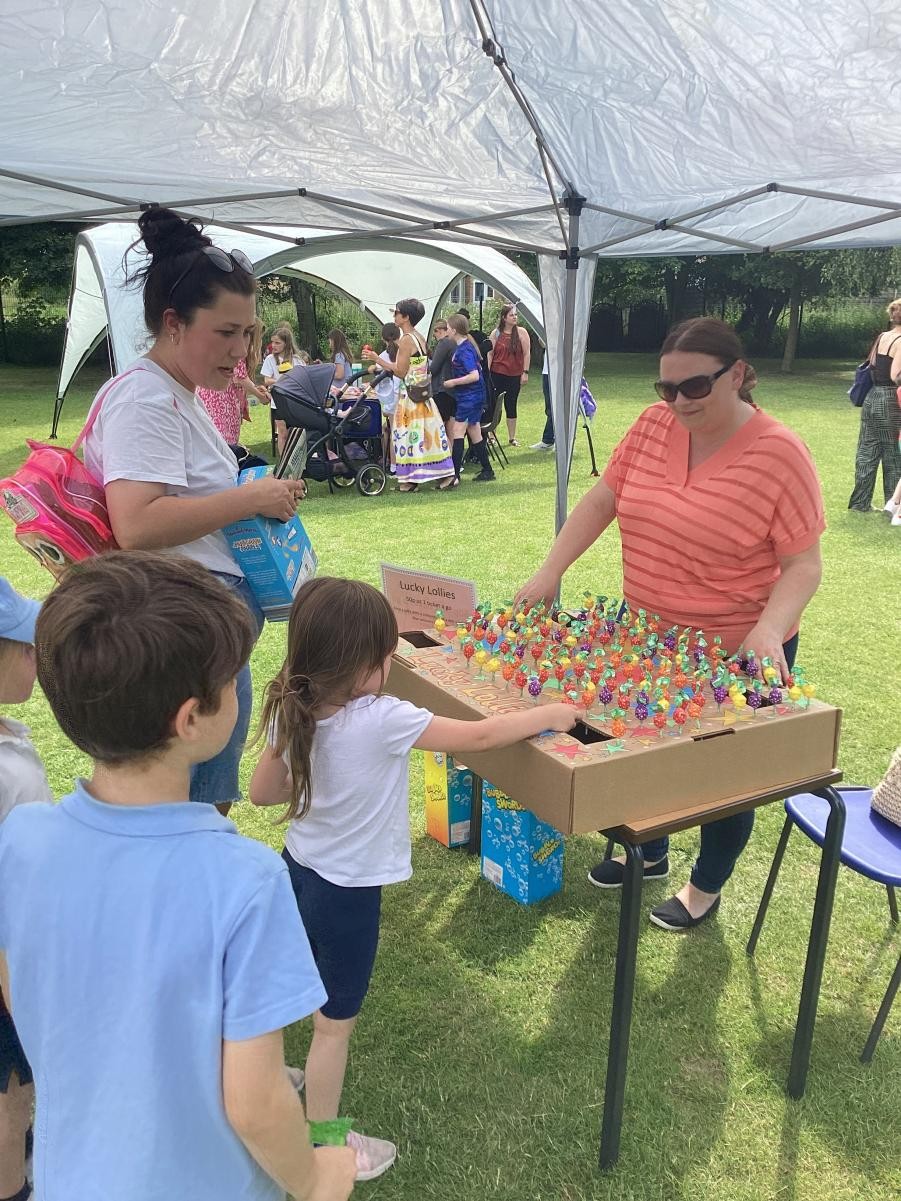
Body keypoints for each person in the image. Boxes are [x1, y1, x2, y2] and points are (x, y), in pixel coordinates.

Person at [0, 553, 356, 1201]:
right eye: (233, 679)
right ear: (191, 718)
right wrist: (315, 1179)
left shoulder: (20, 841)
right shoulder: (246, 881)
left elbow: (20, 985)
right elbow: (256, 1103)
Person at [250, 577, 580, 1180]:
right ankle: (326, 1144)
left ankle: (270, 1077)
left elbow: (262, 794)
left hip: (295, 870)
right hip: (347, 896)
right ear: (366, 667)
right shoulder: (384, 719)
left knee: (287, 985)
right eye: (387, 655)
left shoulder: (290, 705)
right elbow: (479, 737)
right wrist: (551, 714)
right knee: (332, 1027)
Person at [516, 317, 826, 931]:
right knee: (638, 744)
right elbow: (603, 500)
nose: (679, 402)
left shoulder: (780, 452)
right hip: (647, 637)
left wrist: (770, 628)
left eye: (695, 386)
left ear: (737, 375)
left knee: (725, 776)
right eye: (667, 389)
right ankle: (650, 849)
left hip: (736, 648)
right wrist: (551, 569)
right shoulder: (653, 425)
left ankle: (705, 886)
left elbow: (803, 565)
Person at [82, 208, 304, 812]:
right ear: (174, 323)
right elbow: (137, 524)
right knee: (193, 810)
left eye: (248, 332)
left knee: (204, 801)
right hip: (185, 636)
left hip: (204, 632)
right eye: (226, 332)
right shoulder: (146, 399)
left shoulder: (176, 393)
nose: (242, 350)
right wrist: (249, 498)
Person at [0, 579, 52, 1201]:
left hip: (20, 949)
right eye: (24, 644)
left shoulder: (9, 736)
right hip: (9, 963)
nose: (37, 655)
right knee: (9, 1095)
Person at [363, 298, 453, 492]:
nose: (394, 316)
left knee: (407, 437)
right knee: (426, 436)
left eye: (397, 312)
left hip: (410, 397)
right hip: (423, 395)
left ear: (406, 317)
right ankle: (440, 476)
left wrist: (377, 359)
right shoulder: (418, 337)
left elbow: (400, 371)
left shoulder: (406, 340)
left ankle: (411, 480)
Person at [848, 299, 901, 512]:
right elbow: (895, 375)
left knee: (867, 451)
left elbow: (872, 365)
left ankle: (859, 503)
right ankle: (893, 505)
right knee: (893, 454)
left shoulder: (882, 337)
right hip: (890, 400)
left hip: (872, 396)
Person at [196, 317, 268, 445]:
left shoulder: (228, 347)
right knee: (224, 441)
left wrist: (255, 388)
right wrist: (260, 396)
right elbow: (240, 377)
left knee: (216, 439)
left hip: (214, 397)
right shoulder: (238, 350)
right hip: (221, 402)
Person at [444, 313, 494, 485]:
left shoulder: (464, 350)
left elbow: (474, 375)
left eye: (448, 328)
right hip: (473, 396)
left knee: (457, 431)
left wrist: (453, 382)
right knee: (474, 431)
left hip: (470, 397)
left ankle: (454, 475)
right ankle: (487, 470)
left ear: (454, 330)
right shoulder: (466, 345)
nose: (446, 331)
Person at [488, 303, 530, 446]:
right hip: (497, 374)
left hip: (514, 375)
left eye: (516, 315)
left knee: (511, 405)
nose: (515, 317)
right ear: (504, 317)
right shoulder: (496, 333)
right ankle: (492, 436)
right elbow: (490, 353)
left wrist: (525, 372)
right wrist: (487, 372)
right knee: (495, 405)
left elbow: (527, 353)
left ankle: (512, 437)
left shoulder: (521, 333)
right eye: (511, 315)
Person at [263, 326, 308, 458]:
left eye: (277, 343)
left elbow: (304, 379)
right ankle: (284, 462)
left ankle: (298, 460)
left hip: (295, 401)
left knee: (297, 433)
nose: (273, 345)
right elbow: (267, 380)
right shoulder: (270, 359)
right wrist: (283, 380)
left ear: (286, 343)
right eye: (272, 342)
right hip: (278, 402)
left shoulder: (297, 360)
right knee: (282, 433)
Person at [364, 322, 401, 474]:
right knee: (393, 430)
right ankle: (394, 463)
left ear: (382, 337)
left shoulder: (383, 356)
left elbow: (378, 371)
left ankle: (393, 466)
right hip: (402, 394)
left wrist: (373, 367)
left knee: (393, 431)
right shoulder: (402, 353)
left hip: (391, 398)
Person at [429, 318, 457, 445]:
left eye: (435, 332)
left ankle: (445, 453)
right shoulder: (454, 342)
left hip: (442, 390)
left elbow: (434, 368)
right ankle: (453, 455)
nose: (434, 336)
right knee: (450, 428)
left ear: (440, 330)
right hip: (452, 390)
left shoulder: (444, 343)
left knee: (440, 428)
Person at [531, 345, 555, 450]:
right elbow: (543, 344)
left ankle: (549, 439)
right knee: (550, 407)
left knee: (556, 408)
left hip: (559, 370)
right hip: (548, 371)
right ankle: (549, 439)